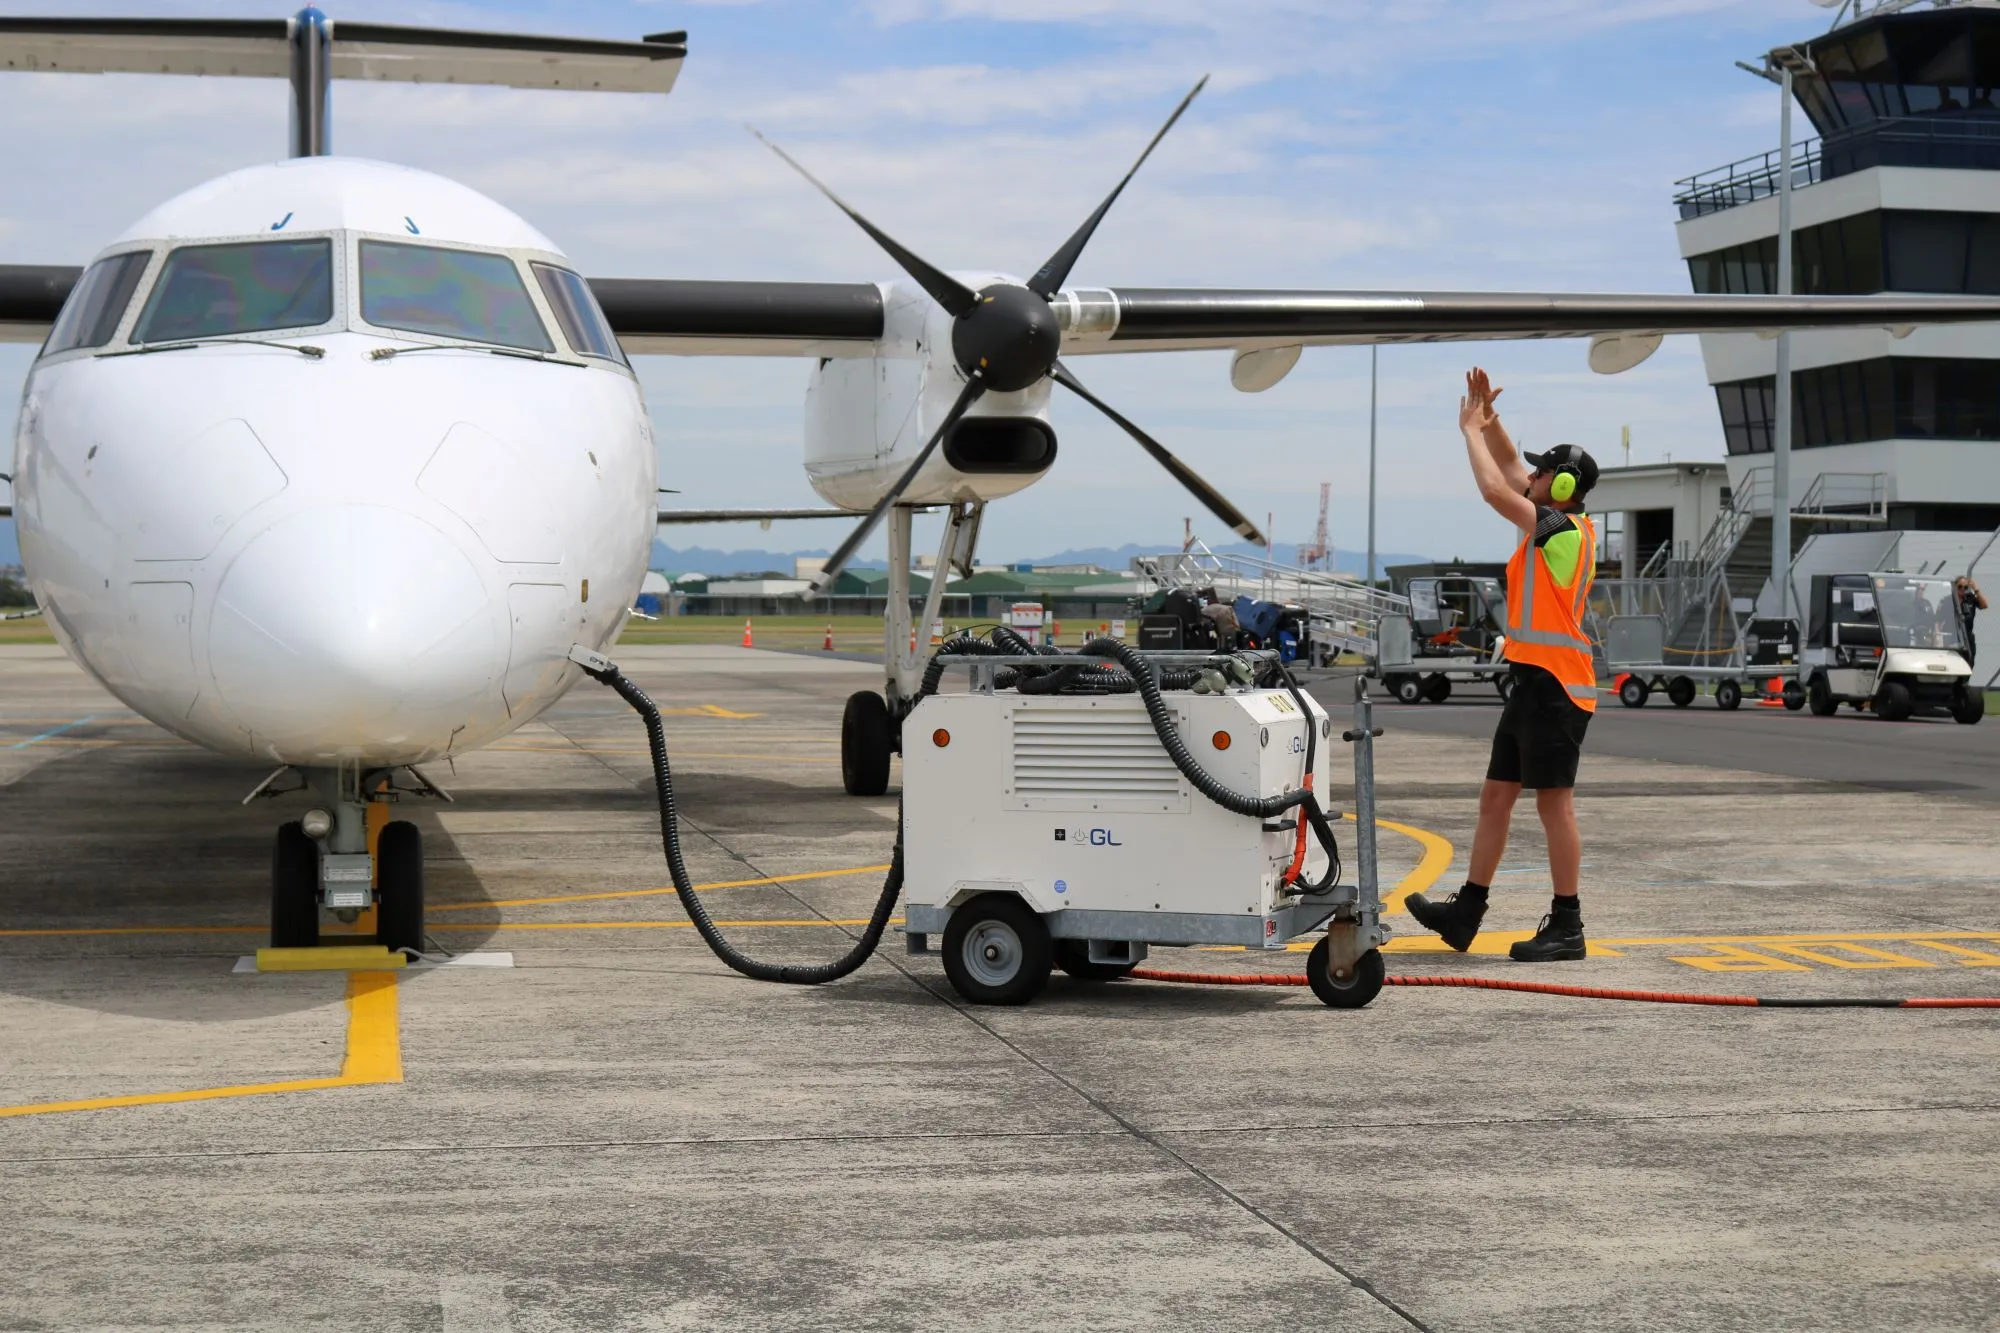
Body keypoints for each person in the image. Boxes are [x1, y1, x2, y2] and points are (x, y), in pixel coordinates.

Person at [1406, 368, 1601, 963]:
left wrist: (1468, 431)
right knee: (1496, 797)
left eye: (1544, 473)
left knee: (1552, 803)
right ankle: (1468, 911)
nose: (1532, 475)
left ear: (1560, 485)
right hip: (1532, 681)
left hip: (1558, 687)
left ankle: (1568, 925)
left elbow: (1497, 490)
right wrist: (1490, 419)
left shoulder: (1561, 528)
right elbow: (1512, 465)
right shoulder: (1549, 515)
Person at [1957, 576, 1988, 665]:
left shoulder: (1970, 598)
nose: (1962, 589)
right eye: (1960, 586)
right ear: (1955, 587)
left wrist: (1976, 590)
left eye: (1965, 587)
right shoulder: (1950, 600)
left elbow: (1984, 605)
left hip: (1967, 635)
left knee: (1970, 662)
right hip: (1955, 636)